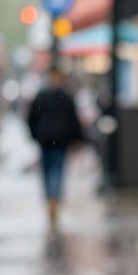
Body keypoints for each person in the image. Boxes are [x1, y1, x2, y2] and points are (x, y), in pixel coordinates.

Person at [26, 68, 84, 229]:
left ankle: (50, 199)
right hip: (59, 140)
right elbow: (73, 120)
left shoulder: (41, 96)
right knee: (57, 171)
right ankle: (54, 199)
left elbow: (31, 119)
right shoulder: (65, 97)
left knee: (47, 172)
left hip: (46, 141)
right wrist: (77, 138)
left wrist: (36, 135)